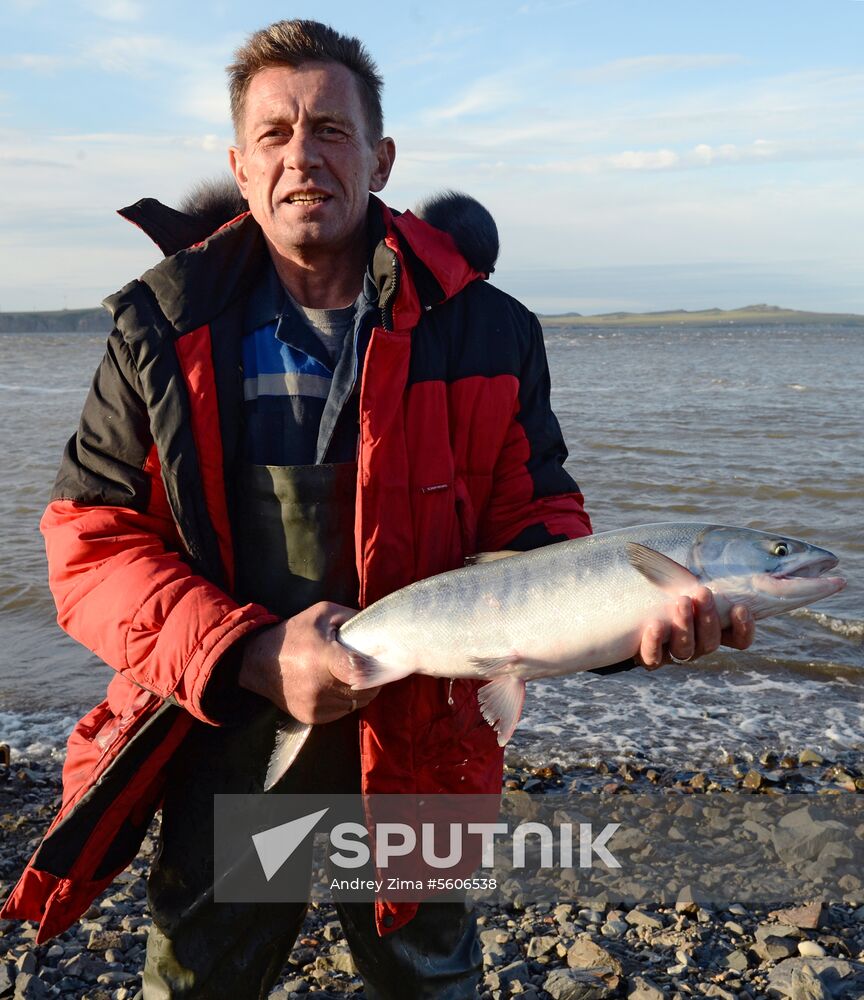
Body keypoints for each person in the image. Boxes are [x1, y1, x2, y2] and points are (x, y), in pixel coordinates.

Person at [1, 19, 756, 1000]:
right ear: (239, 162)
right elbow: (91, 546)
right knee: (206, 981)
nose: (302, 155)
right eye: (275, 133)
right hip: (233, 741)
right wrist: (252, 654)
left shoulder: (489, 330)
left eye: (330, 129)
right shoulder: (164, 330)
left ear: (381, 156)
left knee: (425, 980)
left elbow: (537, 527)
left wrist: (627, 620)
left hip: (421, 746)